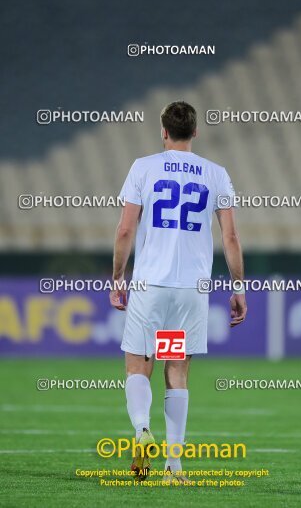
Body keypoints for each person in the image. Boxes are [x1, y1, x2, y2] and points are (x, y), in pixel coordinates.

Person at [110, 101, 247, 483]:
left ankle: (141, 430)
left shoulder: (143, 167)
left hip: (150, 285)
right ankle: (173, 466)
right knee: (177, 372)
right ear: (196, 132)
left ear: (163, 131)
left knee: (139, 365)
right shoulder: (215, 174)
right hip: (191, 290)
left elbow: (125, 230)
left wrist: (118, 277)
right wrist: (238, 287)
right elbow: (231, 236)